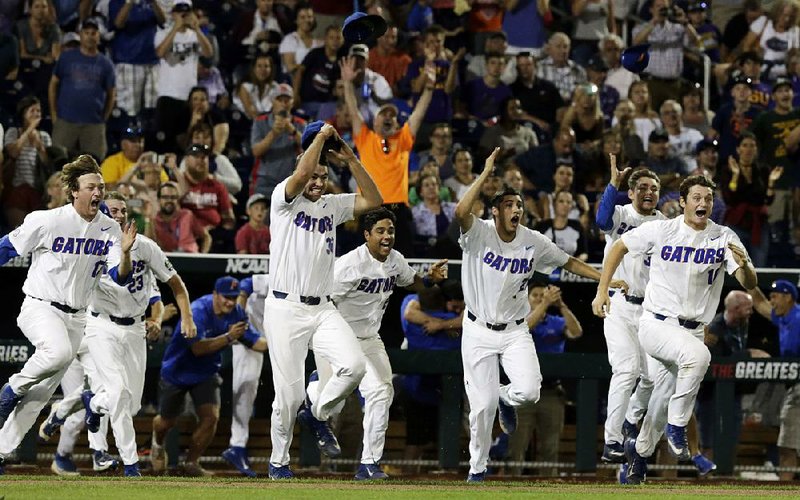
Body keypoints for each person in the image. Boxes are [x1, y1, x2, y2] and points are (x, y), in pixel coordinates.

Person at [454, 147, 626, 482]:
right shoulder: (480, 232)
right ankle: (477, 470)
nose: (516, 209)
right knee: (482, 407)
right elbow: (462, 211)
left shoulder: (532, 241)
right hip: (477, 330)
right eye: (509, 204)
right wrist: (486, 172)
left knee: (530, 391)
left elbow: (569, 262)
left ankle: (507, 397)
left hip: (515, 329)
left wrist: (605, 279)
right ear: (495, 210)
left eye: (519, 204)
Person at [592, 174, 758, 485]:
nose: (703, 203)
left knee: (660, 400)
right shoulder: (661, 229)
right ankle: (678, 425)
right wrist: (602, 291)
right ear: (682, 202)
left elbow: (749, 283)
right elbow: (618, 248)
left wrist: (746, 266)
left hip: (692, 329)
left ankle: (638, 457)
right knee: (698, 357)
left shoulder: (723, 236)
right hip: (655, 324)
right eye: (696, 197)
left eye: (708, 198)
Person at [38, 191, 195, 477]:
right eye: (113, 209)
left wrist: (185, 316)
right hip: (99, 326)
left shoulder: (145, 247)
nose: (120, 214)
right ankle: (129, 463)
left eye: (123, 210)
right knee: (119, 395)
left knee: (130, 403)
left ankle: (91, 402)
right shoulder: (91, 246)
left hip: (134, 328)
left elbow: (173, 284)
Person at [0, 155, 138, 475]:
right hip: (40, 306)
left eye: (101, 187)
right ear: (74, 190)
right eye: (91, 186)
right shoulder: (47, 220)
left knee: (44, 391)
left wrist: (127, 252)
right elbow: (8, 247)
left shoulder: (109, 229)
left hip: (77, 317)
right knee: (58, 354)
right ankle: (11, 388)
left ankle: (3, 449)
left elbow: (119, 275)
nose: (98, 192)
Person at [264, 121, 383, 479]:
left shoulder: (332, 205)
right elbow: (301, 173)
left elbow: (375, 200)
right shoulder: (282, 198)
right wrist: (319, 138)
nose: (317, 181)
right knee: (286, 396)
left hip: (322, 308)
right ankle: (278, 462)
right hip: (285, 307)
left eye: (323, 176)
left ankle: (315, 413)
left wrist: (352, 161)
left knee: (354, 366)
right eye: (314, 175)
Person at [309, 208, 448, 480]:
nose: (387, 236)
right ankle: (314, 395)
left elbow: (412, 282)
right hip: (339, 337)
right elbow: (323, 302)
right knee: (331, 405)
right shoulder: (349, 265)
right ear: (366, 235)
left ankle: (369, 464)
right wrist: (324, 344)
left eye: (391, 231)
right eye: (381, 231)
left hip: (370, 338)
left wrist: (430, 279)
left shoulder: (395, 260)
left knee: (382, 393)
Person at [150, 276, 267, 476]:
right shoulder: (197, 310)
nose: (230, 302)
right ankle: (157, 444)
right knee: (166, 422)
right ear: (215, 295)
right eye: (225, 297)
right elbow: (198, 348)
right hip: (178, 370)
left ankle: (191, 463)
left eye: (233, 297)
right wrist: (229, 337)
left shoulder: (237, 313)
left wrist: (285, 343)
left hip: (206, 372)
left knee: (211, 417)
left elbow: (255, 343)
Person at [594, 160, 665, 463]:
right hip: (619, 304)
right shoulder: (622, 214)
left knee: (652, 378)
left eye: (654, 189)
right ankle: (612, 441)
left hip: (650, 311)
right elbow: (600, 220)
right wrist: (613, 184)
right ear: (632, 191)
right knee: (626, 370)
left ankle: (629, 418)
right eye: (643, 188)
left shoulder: (664, 223)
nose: (649, 193)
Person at [505, 283, 582, 476]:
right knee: (516, 445)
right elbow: (526, 328)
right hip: (522, 392)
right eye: (536, 295)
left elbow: (576, 332)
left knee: (550, 446)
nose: (540, 298)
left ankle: (547, 486)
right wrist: (545, 303)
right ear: (526, 298)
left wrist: (561, 304)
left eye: (543, 295)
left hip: (550, 391)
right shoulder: (517, 319)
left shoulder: (556, 321)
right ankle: (509, 488)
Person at [749, 279, 800, 481]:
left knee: (787, 446)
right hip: (793, 387)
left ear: (788, 297)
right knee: (788, 446)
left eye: (775, 296)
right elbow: (759, 303)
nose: (771, 301)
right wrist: (746, 276)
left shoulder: (798, 319)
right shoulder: (784, 318)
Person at [222, 274, 271, 478]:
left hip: (276, 335)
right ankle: (237, 446)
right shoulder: (278, 277)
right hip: (251, 333)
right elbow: (246, 284)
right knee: (246, 387)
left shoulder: (308, 286)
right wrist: (239, 316)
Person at [48, 18, 116, 160]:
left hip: (93, 124)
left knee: (94, 166)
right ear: (80, 34)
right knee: (58, 162)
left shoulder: (106, 64)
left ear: (98, 36)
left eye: (93, 33)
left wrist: (104, 118)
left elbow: (111, 94)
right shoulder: (66, 58)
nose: (90, 36)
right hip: (65, 120)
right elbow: (53, 84)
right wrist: (54, 114)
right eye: (87, 33)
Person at [108, 0, 167, 116]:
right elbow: (118, 23)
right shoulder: (116, 2)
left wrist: (154, 3)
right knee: (129, 111)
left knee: (152, 110)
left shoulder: (150, 2)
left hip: (152, 61)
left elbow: (163, 21)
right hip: (128, 61)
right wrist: (130, 2)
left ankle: (149, 134)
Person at [3, 95, 52, 228]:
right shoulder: (13, 132)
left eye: (39, 111)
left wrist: (39, 146)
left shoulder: (44, 136)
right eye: (32, 110)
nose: (36, 114)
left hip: (37, 191)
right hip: (16, 189)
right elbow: (12, 152)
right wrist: (29, 130)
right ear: (23, 113)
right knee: (18, 232)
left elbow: (48, 165)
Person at [153, 181, 211, 253]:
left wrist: (203, 256)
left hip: (190, 258)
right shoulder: (153, 221)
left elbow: (206, 237)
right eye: (165, 197)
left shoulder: (187, 215)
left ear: (177, 200)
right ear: (159, 200)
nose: (169, 200)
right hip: (166, 259)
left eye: (173, 197)